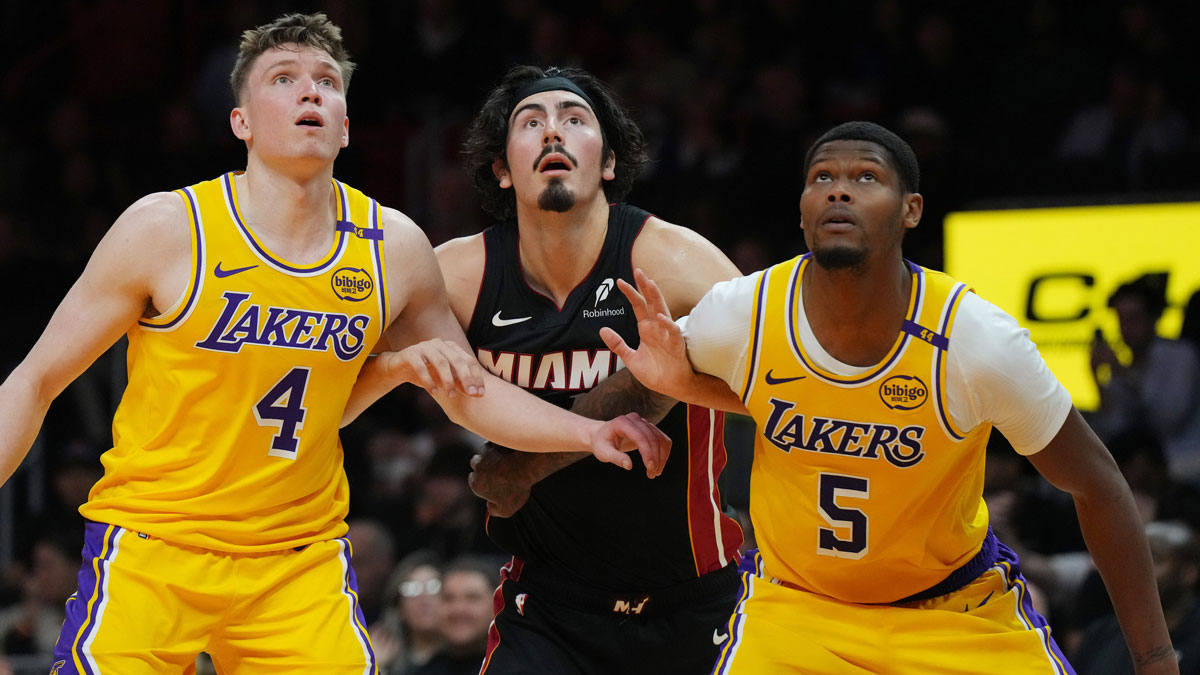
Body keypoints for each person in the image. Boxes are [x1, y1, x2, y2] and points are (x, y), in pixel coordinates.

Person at [0, 14, 668, 674]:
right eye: (284, 78)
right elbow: (33, 381)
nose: (311, 91)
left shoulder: (394, 246)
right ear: (242, 122)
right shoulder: (166, 229)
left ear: (347, 126)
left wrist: (585, 434)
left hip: (297, 558)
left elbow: (470, 390)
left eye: (326, 81)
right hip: (154, 541)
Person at [604, 121, 1177, 673]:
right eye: (822, 178)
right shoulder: (744, 314)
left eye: (866, 177)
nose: (839, 191)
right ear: (802, 211)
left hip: (955, 611)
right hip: (797, 613)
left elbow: (1099, 486)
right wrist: (670, 380)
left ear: (912, 210)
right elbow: (757, 396)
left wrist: (1156, 659)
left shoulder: (975, 340)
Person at [434, 65, 745, 675]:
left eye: (575, 121)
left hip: (695, 603)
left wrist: (676, 381)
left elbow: (783, 382)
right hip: (549, 607)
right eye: (532, 122)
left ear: (607, 163)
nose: (554, 133)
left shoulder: (673, 259)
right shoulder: (458, 276)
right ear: (502, 168)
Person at [1090, 274, 1200, 485]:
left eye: (1134, 319)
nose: (1126, 329)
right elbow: (1114, 431)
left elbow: (1167, 420)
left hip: (1187, 463)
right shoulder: (1123, 366)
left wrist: (1125, 376)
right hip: (1142, 470)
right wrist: (1097, 379)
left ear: (1154, 317)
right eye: (1121, 320)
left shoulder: (1181, 356)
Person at [1074, 521, 1200, 674]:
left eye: (1153, 558)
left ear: (1188, 573)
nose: (1136, 569)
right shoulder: (1101, 633)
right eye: (1132, 557)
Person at [409, 556, 500, 675]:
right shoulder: (423, 671)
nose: (458, 609)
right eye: (448, 599)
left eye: (472, 598)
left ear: (497, 606)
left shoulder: (519, 667)